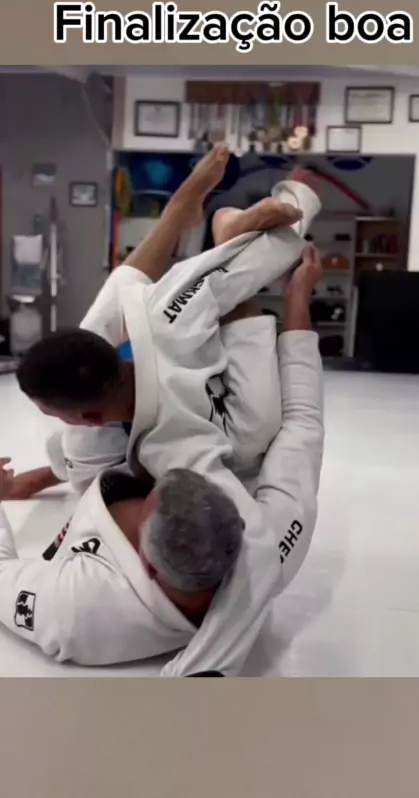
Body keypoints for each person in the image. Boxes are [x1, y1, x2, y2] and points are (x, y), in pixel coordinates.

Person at [0, 246, 323, 675]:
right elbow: (303, 424)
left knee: (85, 438)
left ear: (148, 565)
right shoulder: (270, 541)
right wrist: (298, 298)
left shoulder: (73, 611)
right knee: (256, 430)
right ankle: (232, 270)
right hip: (214, 408)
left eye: (151, 490)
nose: (146, 477)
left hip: (171, 417)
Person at [10, 155, 322, 498]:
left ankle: (214, 231)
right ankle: (208, 228)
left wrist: (296, 300)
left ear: (91, 420)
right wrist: (291, 201)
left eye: (49, 412)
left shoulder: (173, 447)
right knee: (206, 289)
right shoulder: (154, 322)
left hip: (207, 399)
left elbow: (296, 425)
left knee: (251, 437)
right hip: (181, 335)